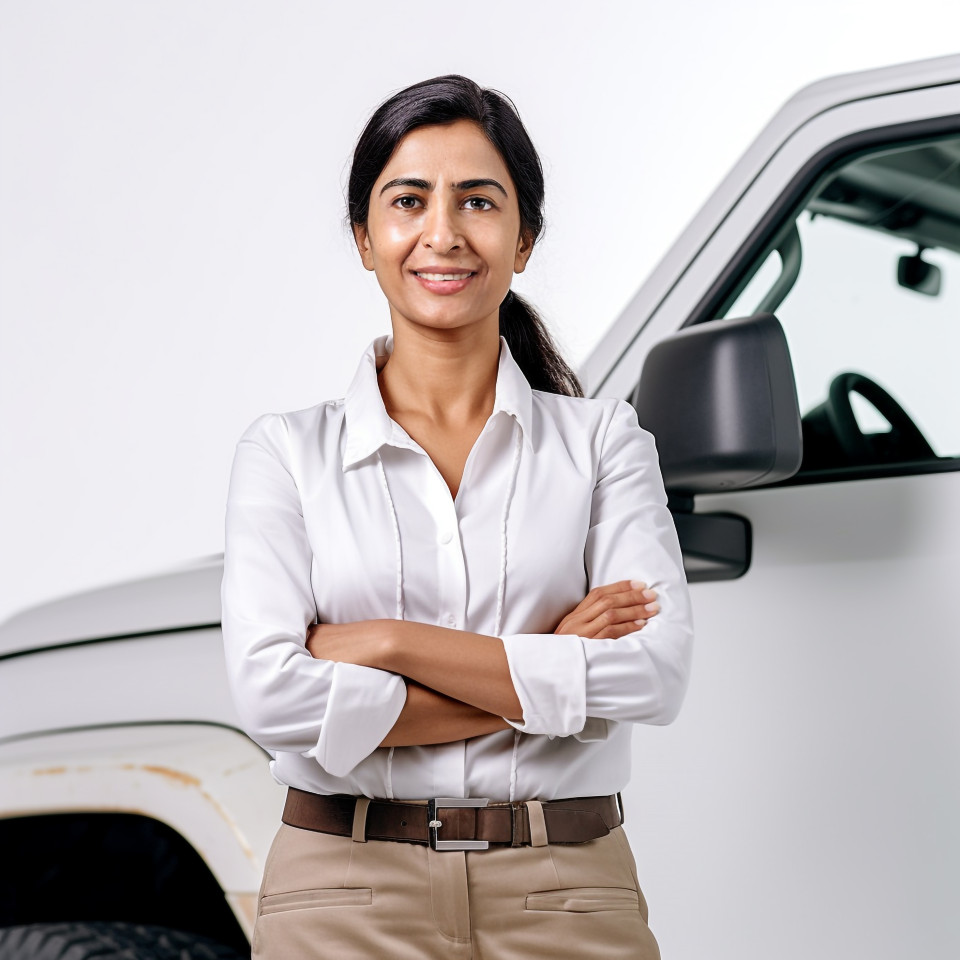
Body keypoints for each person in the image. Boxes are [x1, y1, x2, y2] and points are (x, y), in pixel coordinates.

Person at [220, 74, 694, 960]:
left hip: (567, 890)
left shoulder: (604, 443)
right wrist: (552, 670)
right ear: (365, 237)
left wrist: (387, 644)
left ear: (524, 241)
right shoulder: (284, 453)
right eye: (409, 201)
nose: (443, 233)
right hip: (339, 887)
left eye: (479, 201)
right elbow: (272, 693)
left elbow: (655, 676)